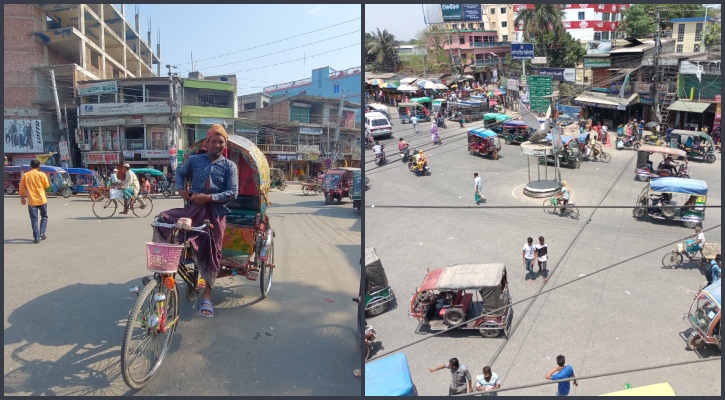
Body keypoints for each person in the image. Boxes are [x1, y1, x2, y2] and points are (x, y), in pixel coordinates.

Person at [154, 124, 238, 318]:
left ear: (224, 145)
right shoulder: (194, 160)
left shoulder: (229, 166)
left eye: (221, 142)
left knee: (212, 250)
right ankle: (165, 274)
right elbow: (180, 173)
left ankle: (207, 296)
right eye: (213, 141)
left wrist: (208, 198)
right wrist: (181, 189)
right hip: (193, 209)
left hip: (216, 212)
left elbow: (233, 192)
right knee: (164, 221)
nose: (216, 144)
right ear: (207, 143)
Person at [19, 159, 50, 243]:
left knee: (34, 219)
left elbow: (21, 187)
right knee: (44, 216)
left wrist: (22, 197)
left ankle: (36, 238)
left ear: (30, 166)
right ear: (39, 166)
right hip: (42, 199)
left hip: (32, 201)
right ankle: (42, 233)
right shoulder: (42, 174)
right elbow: (47, 185)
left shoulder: (26, 175)